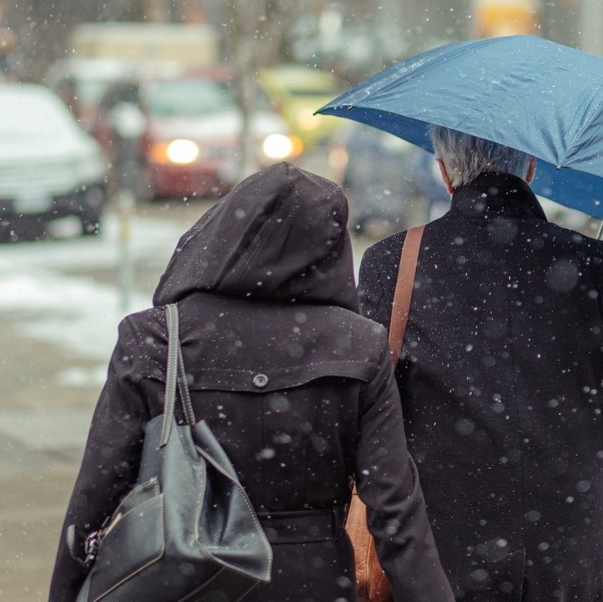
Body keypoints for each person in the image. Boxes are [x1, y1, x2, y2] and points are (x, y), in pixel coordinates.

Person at [49, 162, 454, 602]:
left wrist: (66, 590)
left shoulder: (154, 338)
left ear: (224, 233)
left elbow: (95, 494)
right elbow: (395, 508)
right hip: (311, 580)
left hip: (184, 575)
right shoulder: (358, 346)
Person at [357, 126, 603, 601]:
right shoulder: (598, 264)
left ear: (443, 172)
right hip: (568, 541)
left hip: (437, 543)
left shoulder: (391, 263)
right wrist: (563, 458)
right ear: (531, 168)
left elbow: (371, 411)